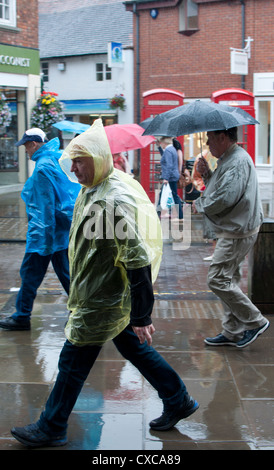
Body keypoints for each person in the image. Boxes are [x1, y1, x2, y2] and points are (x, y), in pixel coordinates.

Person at [10, 119, 198, 448]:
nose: (73, 166)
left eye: (80, 160)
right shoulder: (95, 187)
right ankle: (178, 399)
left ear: (98, 159)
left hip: (103, 300)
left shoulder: (109, 202)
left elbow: (137, 258)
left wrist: (142, 315)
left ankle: (52, 426)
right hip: (104, 295)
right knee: (134, 349)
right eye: (73, 159)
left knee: (71, 362)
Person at [193, 127, 269, 348]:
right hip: (235, 227)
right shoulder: (230, 158)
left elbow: (226, 197)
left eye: (210, 139)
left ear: (223, 137)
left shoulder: (236, 161)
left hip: (237, 230)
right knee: (229, 279)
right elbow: (223, 185)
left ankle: (255, 321)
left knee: (216, 279)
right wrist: (207, 173)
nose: (208, 144)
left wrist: (201, 205)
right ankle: (232, 331)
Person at [0, 128, 80, 331]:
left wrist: (43, 240)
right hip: (58, 233)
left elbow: (46, 206)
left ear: (33, 144)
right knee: (67, 275)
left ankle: (21, 317)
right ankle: (82, 312)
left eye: (26, 146)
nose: (25, 151)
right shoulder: (54, 159)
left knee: (30, 274)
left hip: (45, 235)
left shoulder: (43, 167)